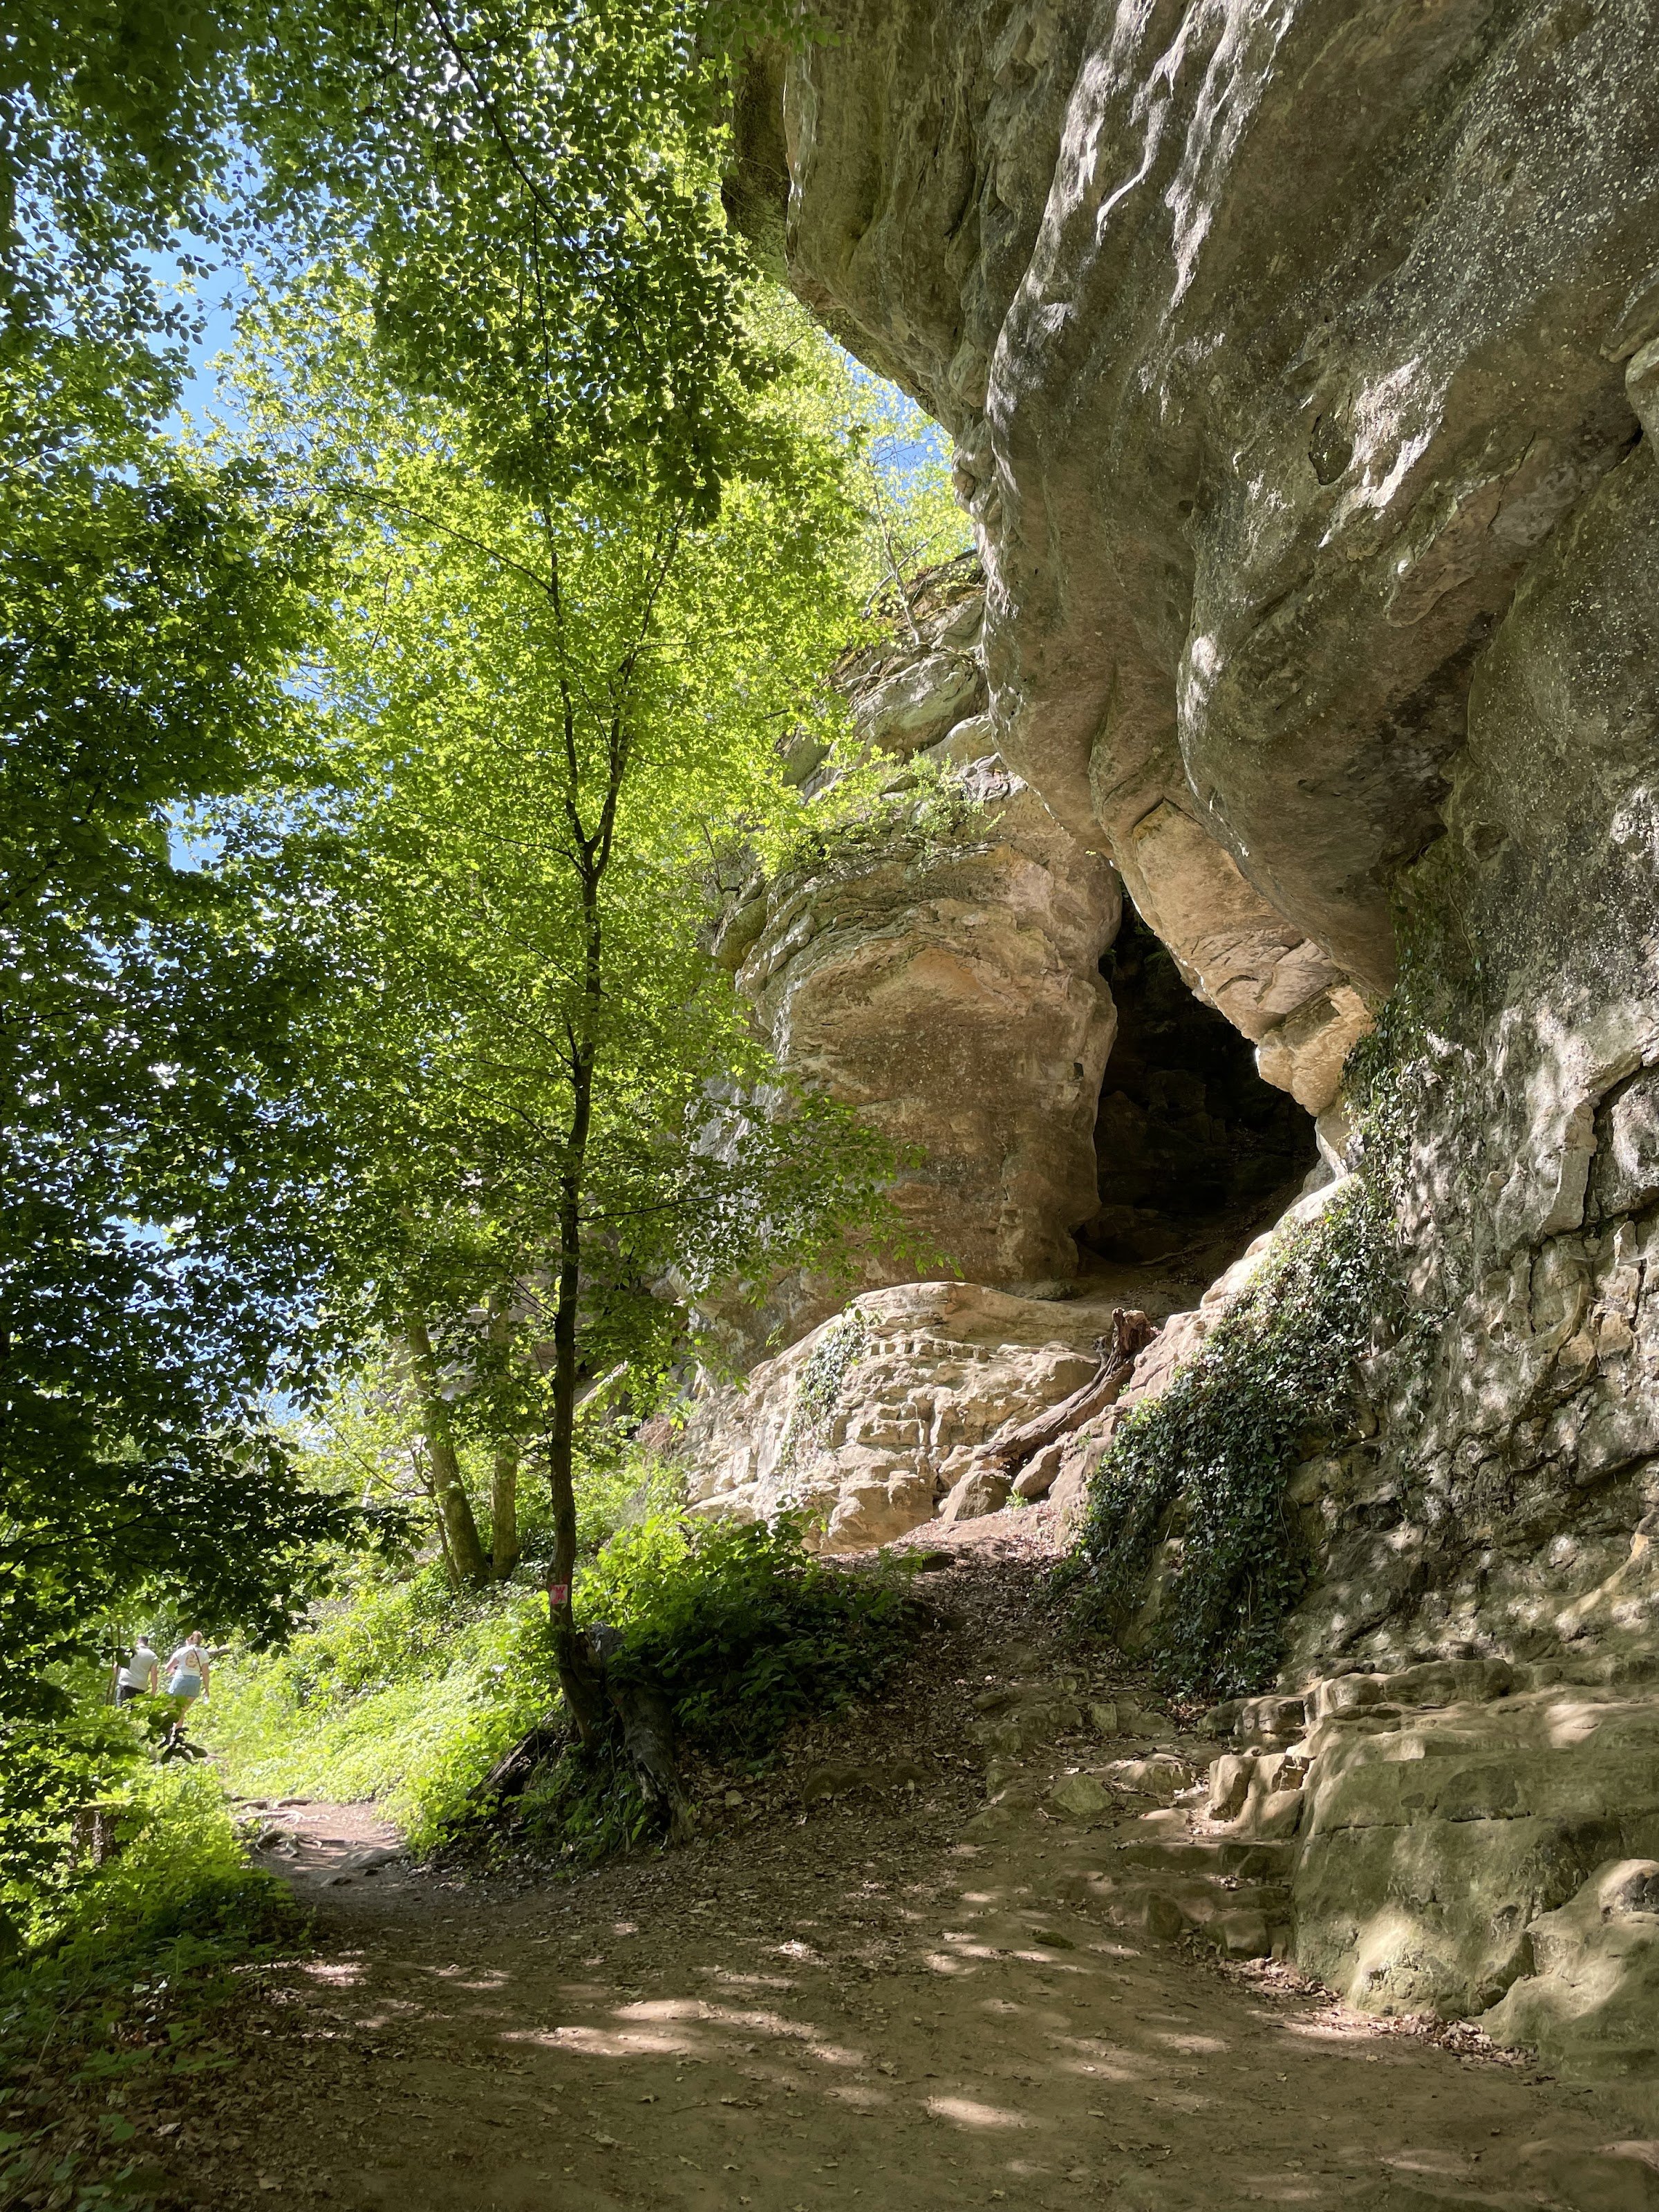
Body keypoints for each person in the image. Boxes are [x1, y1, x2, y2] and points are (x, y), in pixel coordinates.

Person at [165, 1631, 211, 1708]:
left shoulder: (182, 1651)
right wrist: (206, 1689)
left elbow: (168, 1668)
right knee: (182, 1711)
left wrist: (174, 1672)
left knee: (172, 1709)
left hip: (181, 1679)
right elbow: (205, 1673)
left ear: (191, 1639)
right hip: (195, 1682)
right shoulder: (204, 1654)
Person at [115, 1636, 160, 1705]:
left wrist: (117, 1679)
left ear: (137, 1641)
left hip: (125, 1685)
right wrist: (154, 1690)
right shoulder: (153, 1656)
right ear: (147, 1644)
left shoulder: (129, 1650)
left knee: (122, 1711)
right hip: (140, 1688)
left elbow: (116, 1667)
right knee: (135, 1712)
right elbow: (154, 1674)